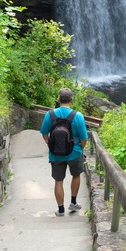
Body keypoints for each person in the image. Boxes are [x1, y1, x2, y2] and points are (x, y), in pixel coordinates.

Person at [40, 88, 89, 216]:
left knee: (58, 181)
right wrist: (80, 148)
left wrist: (50, 144)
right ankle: (73, 202)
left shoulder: (49, 115)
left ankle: (60, 210)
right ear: (72, 100)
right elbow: (84, 138)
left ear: (58, 99)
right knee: (76, 175)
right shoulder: (77, 115)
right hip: (74, 152)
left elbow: (44, 133)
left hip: (56, 153)